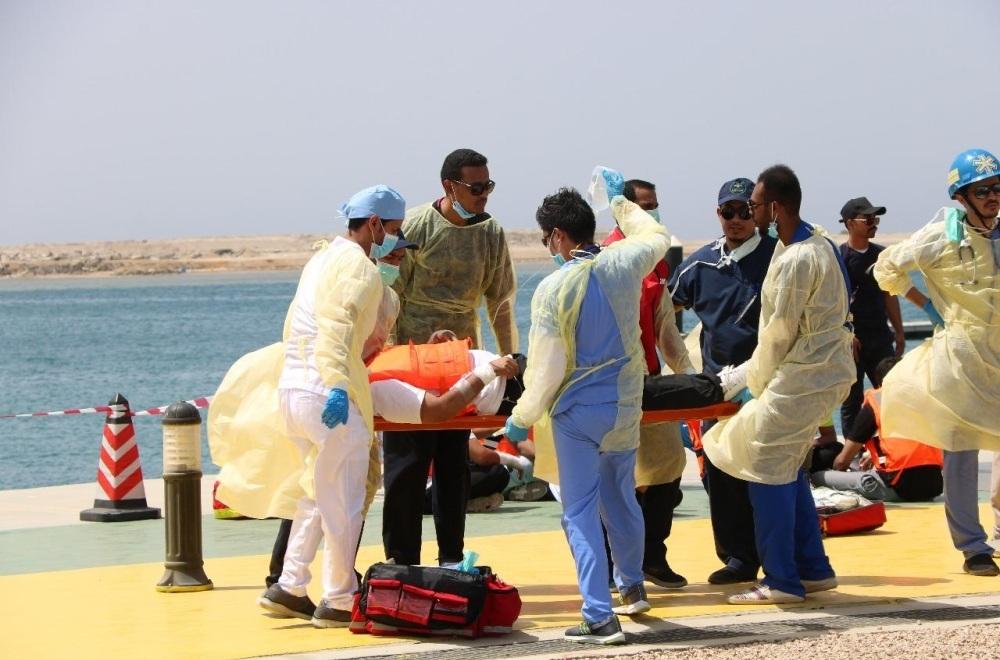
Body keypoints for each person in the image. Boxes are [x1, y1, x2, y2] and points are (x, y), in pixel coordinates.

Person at [501, 185, 669, 645]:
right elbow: (656, 235)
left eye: (545, 239)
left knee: (579, 512)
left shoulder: (553, 289)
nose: (547, 247)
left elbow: (545, 371)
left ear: (557, 235)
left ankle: (598, 615)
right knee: (621, 498)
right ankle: (632, 587)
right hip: (625, 406)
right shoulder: (624, 261)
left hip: (578, 414)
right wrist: (619, 202)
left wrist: (520, 418)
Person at [702, 165, 855, 604]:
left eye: (753, 205)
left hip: (803, 374)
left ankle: (781, 580)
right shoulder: (819, 241)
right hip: (825, 371)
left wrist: (748, 380)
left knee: (764, 465)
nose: (749, 213)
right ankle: (813, 569)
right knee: (788, 467)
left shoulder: (794, 259)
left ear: (775, 207)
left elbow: (777, 334)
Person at [258, 184, 405, 628]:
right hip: (327, 395)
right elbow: (338, 327)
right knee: (344, 499)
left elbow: (295, 326)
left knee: (316, 492)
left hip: (294, 391)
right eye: (393, 228)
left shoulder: (321, 258)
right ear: (374, 223)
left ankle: (290, 585)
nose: (396, 238)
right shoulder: (359, 267)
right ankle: (340, 597)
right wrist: (339, 385)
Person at [383, 148, 517, 568]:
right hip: (411, 363)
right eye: (475, 187)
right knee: (406, 466)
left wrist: (508, 358)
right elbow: (391, 296)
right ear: (449, 186)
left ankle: (451, 560)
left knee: (453, 465)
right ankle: (402, 564)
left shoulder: (490, 232)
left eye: (488, 186)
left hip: (462, 361)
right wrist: (386, 360)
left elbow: (500, 301)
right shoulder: (416, 226)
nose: (483, 195)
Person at [873, 147, 1000, 576]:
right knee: (961, 456)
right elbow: (887, 268)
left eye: (998, 188)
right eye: (982, 190)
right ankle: (973, 548)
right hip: (960, 364)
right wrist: (926, 304)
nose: (992, 197)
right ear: (961, 196)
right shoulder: (941, 236)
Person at [665, 177, 778, 585]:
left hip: (769, 386)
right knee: (721, 472)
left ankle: (780, 558)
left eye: (745, 211)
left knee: (772, 472)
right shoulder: (700, 265)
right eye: (728, 211)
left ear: (758, 213)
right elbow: (663, 309)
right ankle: (738, 558)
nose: (736, 219)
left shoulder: (778, 257)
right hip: (720, 389)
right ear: (718, 213)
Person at [602, 178, 688, 589]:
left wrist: (691, 380)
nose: (652, 213)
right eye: (645, 206)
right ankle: (611, 566)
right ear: (624, 209)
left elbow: (666, 328)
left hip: (650, 384)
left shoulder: (655, 261)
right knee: (614, 475)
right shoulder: (606, 259)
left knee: (669, 463)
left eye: (655, 206)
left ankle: (653, 555)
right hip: (609, 386)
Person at [811, 357, 943, 502]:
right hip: (934, 486)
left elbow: (842, 462)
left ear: (880, 383)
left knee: (818, 477)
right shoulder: (926, 400)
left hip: (899, 488)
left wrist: (838, 473)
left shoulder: (878, 401)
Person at [836, 197, 906, 434]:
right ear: (849, 223)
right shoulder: (839, 259)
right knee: (851, 400)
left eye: (875, 219)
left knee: (890, 393)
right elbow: (833, 302)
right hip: (851, 343)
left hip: (880, 338)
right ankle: (853, 451)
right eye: (867, 219)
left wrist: (899, 332)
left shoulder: (882, 256)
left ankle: (891, 444)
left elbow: (889, 294)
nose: (873, 223)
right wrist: (846, 334)